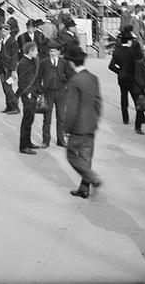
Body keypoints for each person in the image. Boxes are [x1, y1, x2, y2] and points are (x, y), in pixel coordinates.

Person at [64, 43, 102, 199]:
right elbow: (98, 102)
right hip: (91, 125)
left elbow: (71, 108)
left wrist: (66, 127)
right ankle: (84, 188)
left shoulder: (75, 81)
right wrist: (95, 119)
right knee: (86, 157)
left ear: (72, 63)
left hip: (78, 127)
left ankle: (92, 178)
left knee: (72, 156)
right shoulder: (93, 78)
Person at [40, 40, 73, 147]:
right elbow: (37, 78)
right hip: (48, 93)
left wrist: (67, 87)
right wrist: (40, 91)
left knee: (61, 118)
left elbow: (70, 77)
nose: (52, 53)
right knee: (47, 118)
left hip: (61, 93)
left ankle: (60, 140)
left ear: (59, 52)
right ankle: (46, 140)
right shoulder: (44, 63)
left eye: (54, 51)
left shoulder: (64, 63)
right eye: (51, 51)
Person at [109, 27, 143, 126]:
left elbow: (111, 66)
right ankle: (140, 117)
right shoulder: (132, 52)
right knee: (135, 97)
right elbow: (136, 64)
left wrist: (120, 71)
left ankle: (125, 119)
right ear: (129, 41)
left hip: (122, 77)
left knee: (124, 97)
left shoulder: (117, 52)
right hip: (131, 77)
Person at [16, 41, 42, 154]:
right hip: (28, 96)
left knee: (30, 120)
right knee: (27, 121)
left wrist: (40, 90)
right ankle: (23, 146)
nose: (37, 52)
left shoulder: (31, 61)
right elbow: (22, 83)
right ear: (31, 51)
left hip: (34, 94)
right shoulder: (23, 63)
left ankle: (28, 142)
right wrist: (29, 94)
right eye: (36, 50)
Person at [0, 23, 20, 114]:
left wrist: (14, 70)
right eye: (2, 29)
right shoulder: (3, 40)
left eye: (6, 29)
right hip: (2, 67)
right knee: (5, 87)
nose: (3, 31)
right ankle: (9, 106)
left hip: (9, 68)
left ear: (9, 31)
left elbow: (14, 57)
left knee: (8, 88)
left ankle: (15, 107)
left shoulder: (13, 41)